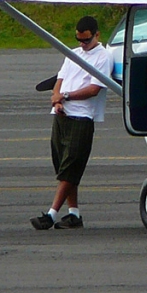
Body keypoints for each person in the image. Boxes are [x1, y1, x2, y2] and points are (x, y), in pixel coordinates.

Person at [31, 16, 113, 230]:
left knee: (70, 168)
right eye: (78, 39)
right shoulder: (73, 55)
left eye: (86, 40)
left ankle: (51, 214)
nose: (82, 44)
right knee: (63, 166)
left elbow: (94, 89)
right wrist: (57, 99)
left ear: (97, 35)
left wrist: (64, 96)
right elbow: (59, 80)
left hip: (82, 118)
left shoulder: (103, 57)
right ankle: (74, 214)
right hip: (62, 115)